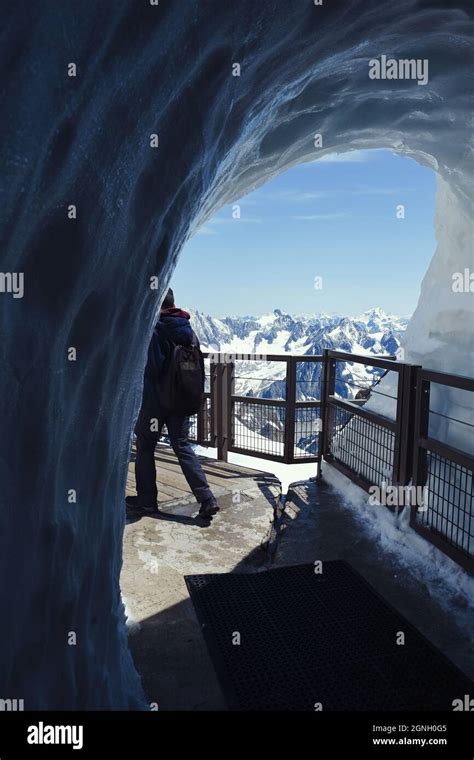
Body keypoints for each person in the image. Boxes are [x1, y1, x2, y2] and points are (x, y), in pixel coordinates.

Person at [126, 288, 218, 517]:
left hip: (157, 403)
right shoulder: (189, 331)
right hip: (182, 401)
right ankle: (207, 498)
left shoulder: (157, 330)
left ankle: (146, 501)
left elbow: (151, 370)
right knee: (182, 446)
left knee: (145, 446)